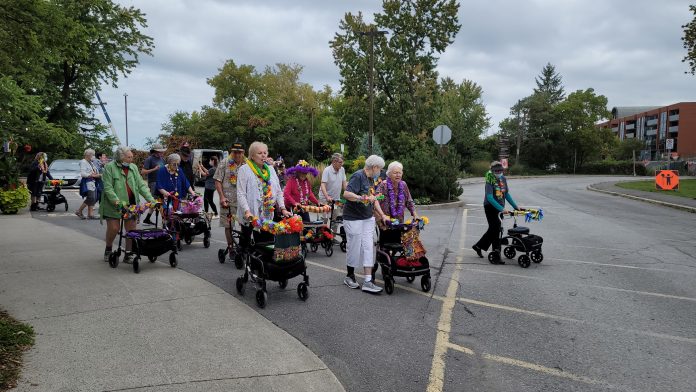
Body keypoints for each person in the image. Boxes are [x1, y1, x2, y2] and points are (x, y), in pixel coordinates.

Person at [342, 154, 390, 293]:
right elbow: (346, 194)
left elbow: (374, 200)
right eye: (380, 169)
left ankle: (368, 280)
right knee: (354, 246)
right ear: (374, 167)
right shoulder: (358, 176)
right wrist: (361, 197)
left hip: (367, 217)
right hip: (353, 218)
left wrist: (382, 215)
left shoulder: (371, 180)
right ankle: (350, 276)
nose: (380, 172)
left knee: (369, 246)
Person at [100, 146, 156, 263]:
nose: (131, 159)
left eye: (132, 157)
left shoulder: (133, 168)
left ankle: (128, 253)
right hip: (113, 205)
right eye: (129, 157)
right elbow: (108, 188)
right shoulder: (109, 168)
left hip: (131, 205)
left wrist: (151, 200)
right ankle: (108, 248)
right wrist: (118, 203)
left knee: (131, 230)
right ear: (121, 158)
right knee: (114, 228)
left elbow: (141, 185)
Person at [236, 141, 292, 246]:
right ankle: (244, 258)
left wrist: (283, 209)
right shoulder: (244, 169)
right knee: (246, 243)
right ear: (252, 155)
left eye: (265, 153)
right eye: (259, 153)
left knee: (267, 243)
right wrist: (247, 211)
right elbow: (241, 194)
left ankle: (263, 261)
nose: (263, 155)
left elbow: (279, 191)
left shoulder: (270, 169)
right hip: (251, 214)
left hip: (267, 213)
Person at [472, 161, 520, 264]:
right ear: (492, 171)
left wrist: (515, 206)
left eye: (500, 170)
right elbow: (489, 197)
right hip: (490, 207)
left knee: (495, 229)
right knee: (496, 228)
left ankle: (479, 246)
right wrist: (502, 209)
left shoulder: (503, 179)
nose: (499, 172)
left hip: (499, 208)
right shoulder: (489, 180)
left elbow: (506, 194)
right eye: (496, 171)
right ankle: (496, 254)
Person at [214, 142, 246, 250]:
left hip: (243, 200)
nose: (237, 155)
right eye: (235, 152)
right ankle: (231, 247)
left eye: (239, 152)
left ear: (243, 153)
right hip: (228, 199)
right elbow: (218, 181)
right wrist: (222, 197)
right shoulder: (224, 162)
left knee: (245, 224)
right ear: (231, 152)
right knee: (229, 225)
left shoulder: (247, 164)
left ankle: (242, 246)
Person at [375, 161, 417, 229]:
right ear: (389, 174)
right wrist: (380, 218)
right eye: (395, 173)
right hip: (385, 222)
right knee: (386, 239)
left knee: (398, 239)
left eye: (399, 173)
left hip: (399, 221)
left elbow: (409, 201)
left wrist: (415, 215)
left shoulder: (403, 185)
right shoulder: (383, 185)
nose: (398, 175)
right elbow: (375, 201)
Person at [319, 153, 347, 230]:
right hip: (325, 198)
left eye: (342, 162)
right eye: (340, 162)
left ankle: (332, 238)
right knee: (324, 218)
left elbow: (344, 183)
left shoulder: (342, 169)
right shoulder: (327, 170)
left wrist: (348, 193)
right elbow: (323, 184)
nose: (342, 164)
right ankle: (322, 236)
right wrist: (327, 196)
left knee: (335, 218)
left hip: (336, 199)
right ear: (334, 162)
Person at [141, 143, 167, 224]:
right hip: (153, 183)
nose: (162, 153)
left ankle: (147, 219)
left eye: (162, 152)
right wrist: (154, 169)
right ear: (155, 151)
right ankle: (164, 220)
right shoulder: (149, 159)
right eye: (160, 151)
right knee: (157, 201)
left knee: (157, 201)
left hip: (162, 182)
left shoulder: (162, 159)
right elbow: (143, 172)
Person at [75, 149, 101, 219]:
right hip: (88, 182)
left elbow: (94, 171)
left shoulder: (90, 162)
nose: (93, 156)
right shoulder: (83, 162)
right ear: (88, 155)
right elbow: (83, 174)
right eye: (93, 155)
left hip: (93, 182)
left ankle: (90, 214)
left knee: (94, 198)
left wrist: (97, 174)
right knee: (91, 197)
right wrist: (92, 175)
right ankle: (79, 210)